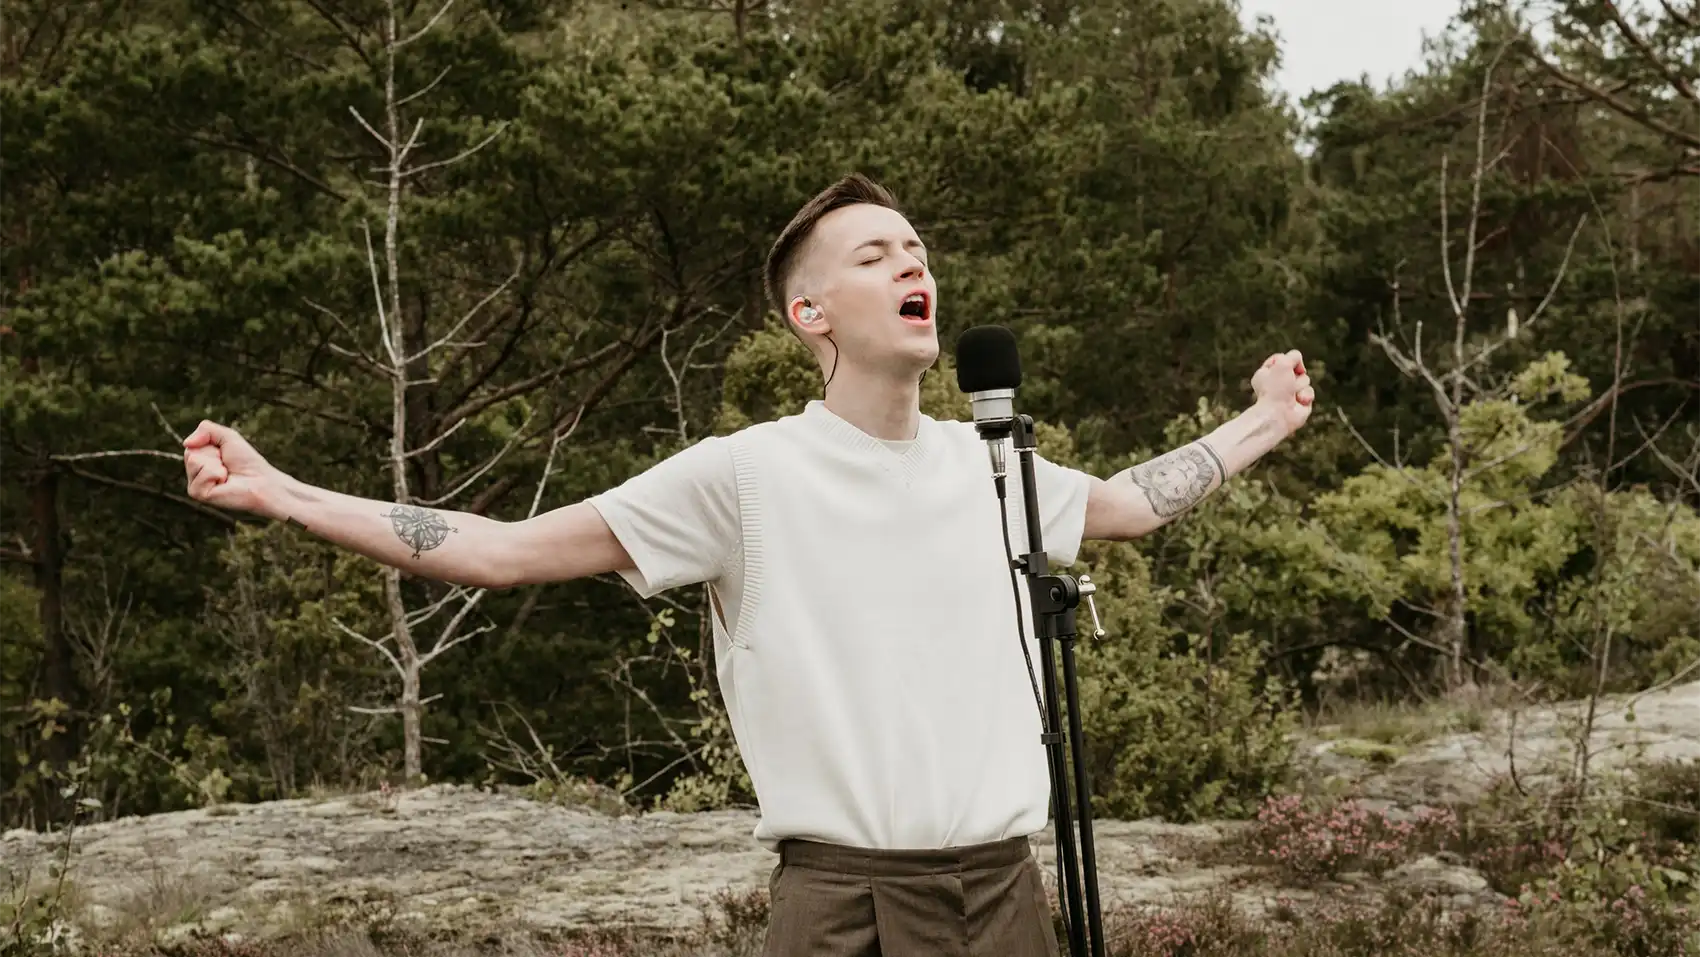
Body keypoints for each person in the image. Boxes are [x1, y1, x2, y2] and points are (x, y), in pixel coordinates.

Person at [183, 173, 1316, 956]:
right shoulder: (745, 477)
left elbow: (1127, 503)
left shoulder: (993, 464)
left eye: (916, 250)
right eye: (874, 255)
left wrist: (1262, 419)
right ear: (808, 311)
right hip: (842, 907)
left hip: (1004, 896)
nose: (911, 266)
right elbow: (503, 552)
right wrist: (281, 492)